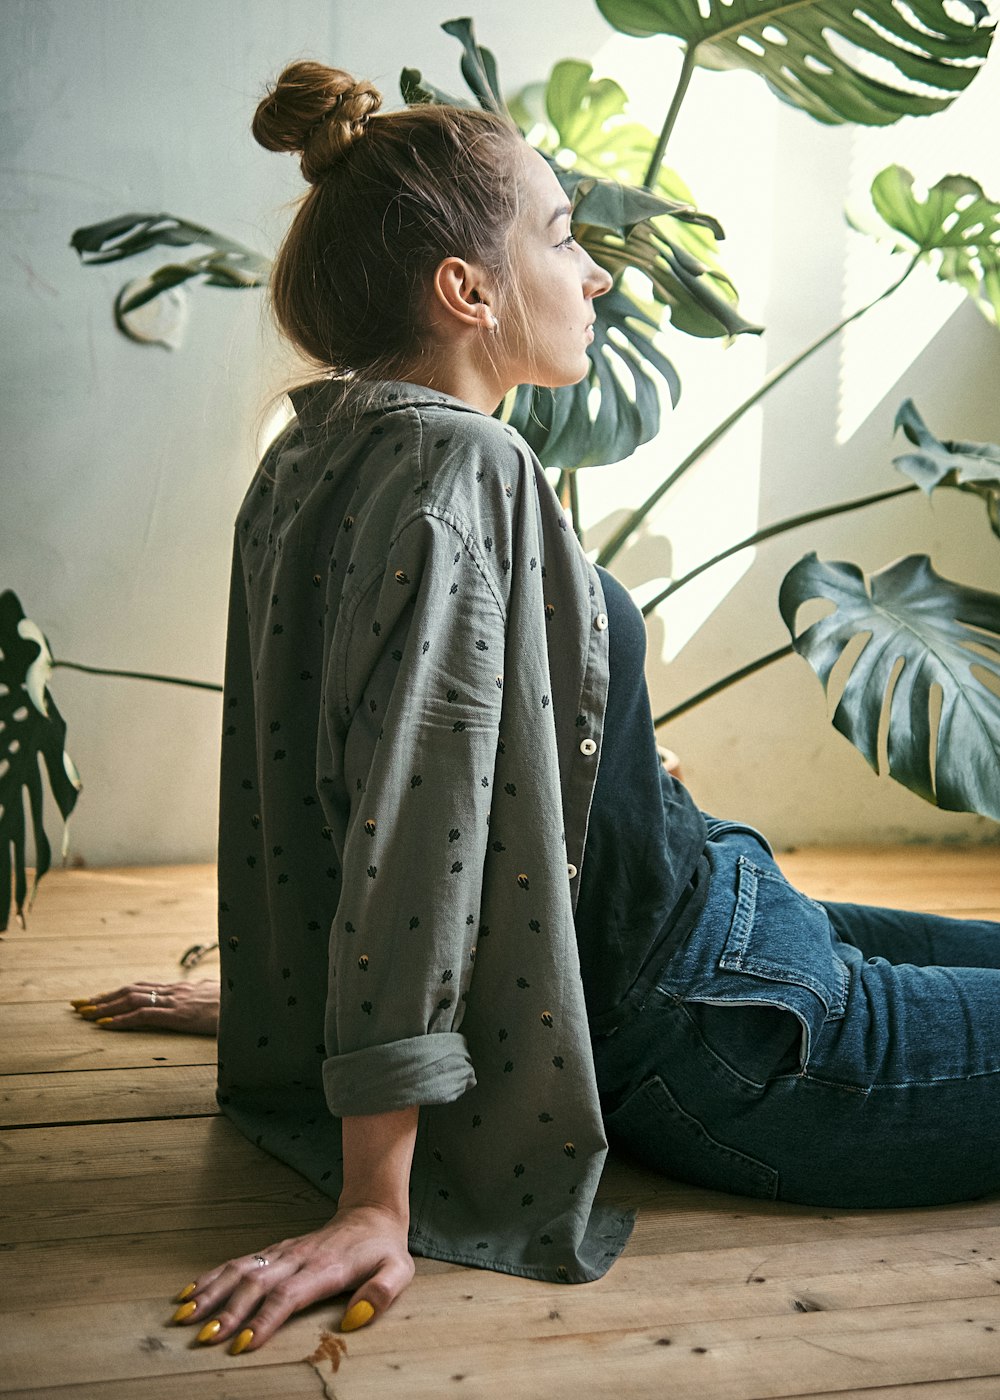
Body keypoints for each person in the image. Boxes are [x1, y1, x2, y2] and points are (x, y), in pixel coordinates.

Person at [72, 60, 1000, 1359]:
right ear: (466, 290)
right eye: (564, 238)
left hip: (733, 911)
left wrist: (297, 1005)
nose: (599, 273)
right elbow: (410, 825)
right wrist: (373, 1201)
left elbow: (301, 764)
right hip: (722, 1028)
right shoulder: (467, 469)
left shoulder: (321, 443)